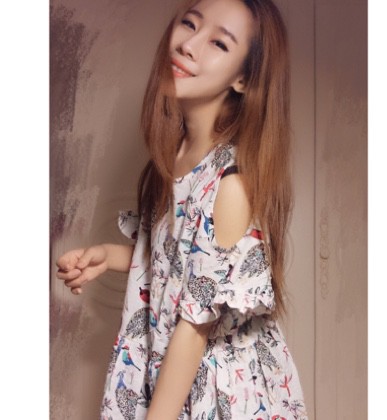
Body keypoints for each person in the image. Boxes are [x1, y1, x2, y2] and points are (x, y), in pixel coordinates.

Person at [56, 0, 308, 418]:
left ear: (244, 78)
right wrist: (107, 256)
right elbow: (174, 262)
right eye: (189, 23)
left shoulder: (230, 185)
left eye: (219, 44)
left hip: (218, 390)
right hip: (172, 366)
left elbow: (194, 328)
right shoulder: (178, 155)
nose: (188, 45)